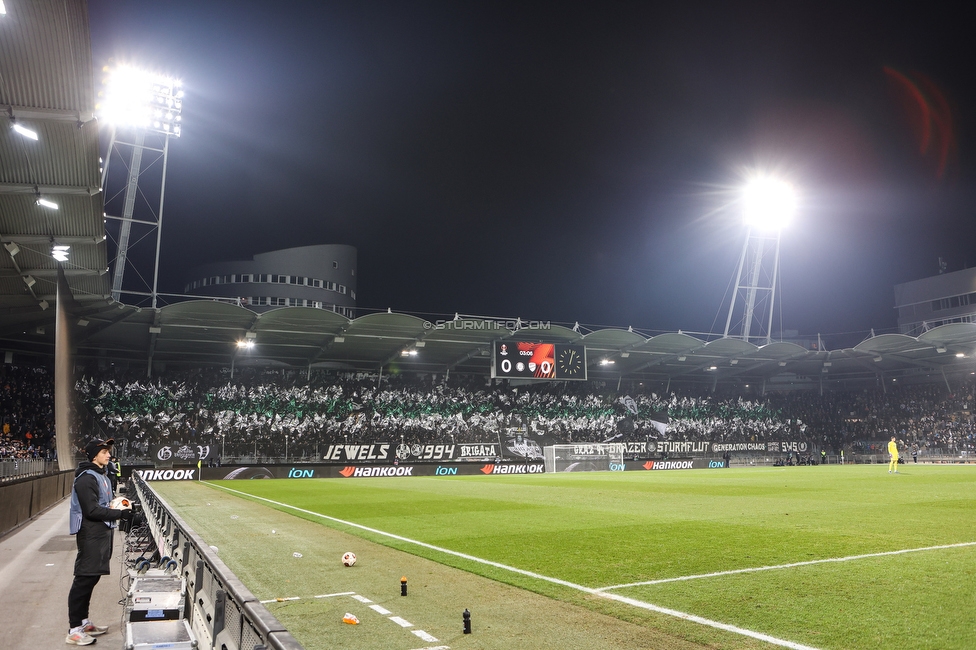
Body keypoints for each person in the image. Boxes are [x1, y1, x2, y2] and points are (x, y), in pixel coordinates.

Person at [66, 438, 132, 645]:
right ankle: (74, 629)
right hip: (90, 532)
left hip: (102, 532)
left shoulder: (101, 474)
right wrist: (120, 514)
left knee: (92, 577)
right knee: (84, 579)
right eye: (104, 451)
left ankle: (83, 622)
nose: (108, 454)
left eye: (108, 451)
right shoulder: (86, 478)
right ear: (94, 455)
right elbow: (91, 510)